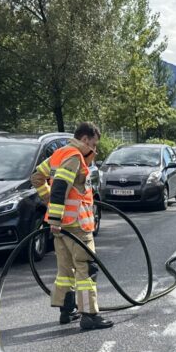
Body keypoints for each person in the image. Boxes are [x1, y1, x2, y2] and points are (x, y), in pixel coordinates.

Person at [31, 122, 113, 331]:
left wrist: (49, 204)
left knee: (65, 270)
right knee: (86, 269)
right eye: (93, 145)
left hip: (61, 226)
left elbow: (37, 177)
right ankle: (89, 315)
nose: (94, 150)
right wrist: (57, 216)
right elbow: (60, 188)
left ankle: (67, 311)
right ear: (84, 140)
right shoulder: (74, 157)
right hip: (76, 225)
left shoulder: (59, 153)